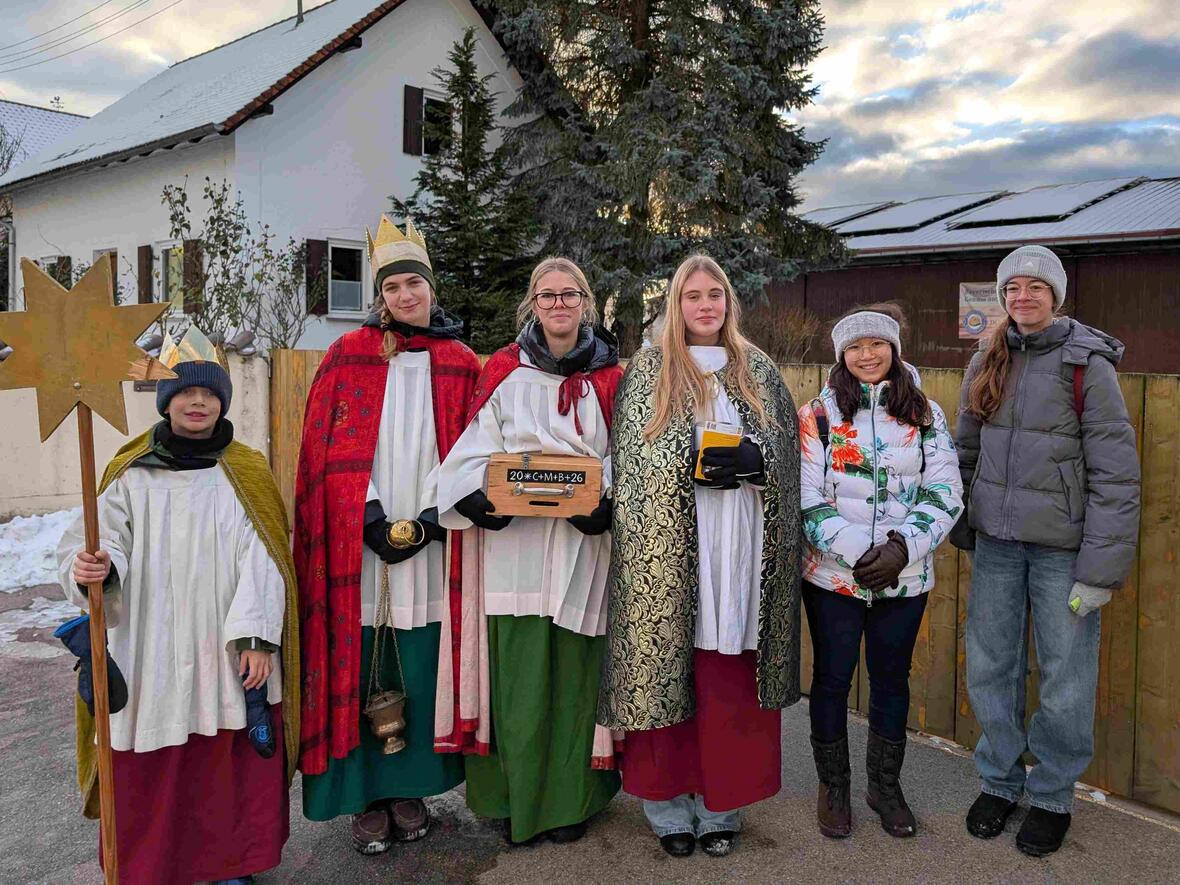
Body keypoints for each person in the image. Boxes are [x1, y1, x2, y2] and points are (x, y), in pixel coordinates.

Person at [58, 327, 299, 885]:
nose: (198, 403)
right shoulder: (130, 471)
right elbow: (104, 537)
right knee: (153, 753)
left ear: (222, 401)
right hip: (151, 642)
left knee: (225, 761)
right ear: (167, 402)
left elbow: (265, 555)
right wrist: (98, 566)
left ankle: (230, 865)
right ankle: (154, 867)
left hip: (223, 642)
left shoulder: (245, 470)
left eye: (209, 394)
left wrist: (259, 637)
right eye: (186, 394)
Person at [599, 254, 802, 859]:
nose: (705, 306)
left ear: (729, 303)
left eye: (715, 295)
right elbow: (632, 464)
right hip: (670, 550)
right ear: (675, 305)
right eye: (693, 296)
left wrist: (758, 462)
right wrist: (683, 473)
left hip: (740, 542)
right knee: (669, 673)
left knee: (728, 679)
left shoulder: (758, 370)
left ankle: (722, 806)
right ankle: (667, 811)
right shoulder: (649, 370)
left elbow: (790, 460)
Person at [294, 217, 480, 854]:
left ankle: (411, 790)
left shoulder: (458, 361)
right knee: (360, 661)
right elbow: (326, 451)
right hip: (361, 544)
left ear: (432, 290)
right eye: (395, 285)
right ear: (381, 295)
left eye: (416, 284)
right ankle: (363, 797)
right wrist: (369, 517)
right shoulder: (348, 356)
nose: (407, 295)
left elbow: (473, 453)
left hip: (431, 540)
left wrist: (431, 519)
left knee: (422, 666)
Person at [952, 245, 1140, 857]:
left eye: (1036, 287)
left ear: (1055, 296)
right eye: (1013, 288)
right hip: (998, 546)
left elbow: (1115, 472)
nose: (1023, 297)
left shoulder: (1088, 364)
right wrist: (963, 522)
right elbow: (966, 451)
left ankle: (1054, 794)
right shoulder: (988, 358)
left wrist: (1101, 570)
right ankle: (1000, 782)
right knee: (991, 666)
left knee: (1065, 677)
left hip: (1062, 551)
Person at [436, 257, 622, 845]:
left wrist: (607, 502)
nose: (559, 304)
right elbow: (471, 451)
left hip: (580, 552)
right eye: (547, 296)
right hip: (513, 551)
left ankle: (568, 804)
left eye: (569, 295)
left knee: (574, 680)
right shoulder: (503, 371)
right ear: (533, 304)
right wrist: (472, 499)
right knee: (517, 681)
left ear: (586, 303)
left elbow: (631, 453)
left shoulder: (614, 379)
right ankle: (514, 800)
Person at [798, 304, 963, 840]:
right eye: (855, 347)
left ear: (894, 350)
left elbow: (945, 490)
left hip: (904, 577)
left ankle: (885, 787)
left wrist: (901, 549)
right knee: (832, 679)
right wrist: (856, 554)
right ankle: (835, 787)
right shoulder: (818, 417)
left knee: (891, 681)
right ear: (841, 356)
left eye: (877, 344)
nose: (867, 355)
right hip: (833, 578)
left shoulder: (925, 415)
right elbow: (806, 497)